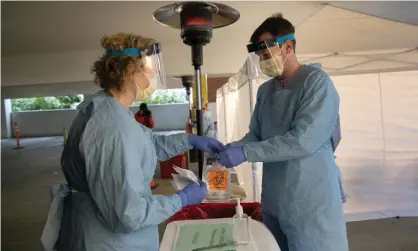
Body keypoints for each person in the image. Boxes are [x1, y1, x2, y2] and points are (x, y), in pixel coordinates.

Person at [41, 33, 225, 251]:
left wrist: (190, 140)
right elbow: (127, 214)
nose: (154, 73)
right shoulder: (112, 127)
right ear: (130, 70)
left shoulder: (108, 108)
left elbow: (147, 145)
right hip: (108, 241)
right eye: (149, 66)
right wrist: (181, 199)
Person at [215, 14, 349, 251]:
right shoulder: (266, 91)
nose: (263, 62)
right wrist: (231, 147)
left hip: (311, 200)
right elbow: (256, 135)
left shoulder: (316, 83)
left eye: (266, 55)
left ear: (288, 46)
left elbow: (303, 141)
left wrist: (245, 152)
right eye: (260, 57)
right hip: (276, 198)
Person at [135, 103, 158, 189]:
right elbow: (135, 124)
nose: (142, 111)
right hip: (139, 138)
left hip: (146, 137)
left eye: (143, 110)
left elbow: (151, 125)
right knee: (143, 159)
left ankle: (150, 181)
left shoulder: (148, 114)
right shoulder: (136, 115)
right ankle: (148, 181)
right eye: (141, 110)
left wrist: (148, 117)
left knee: (148, 159)